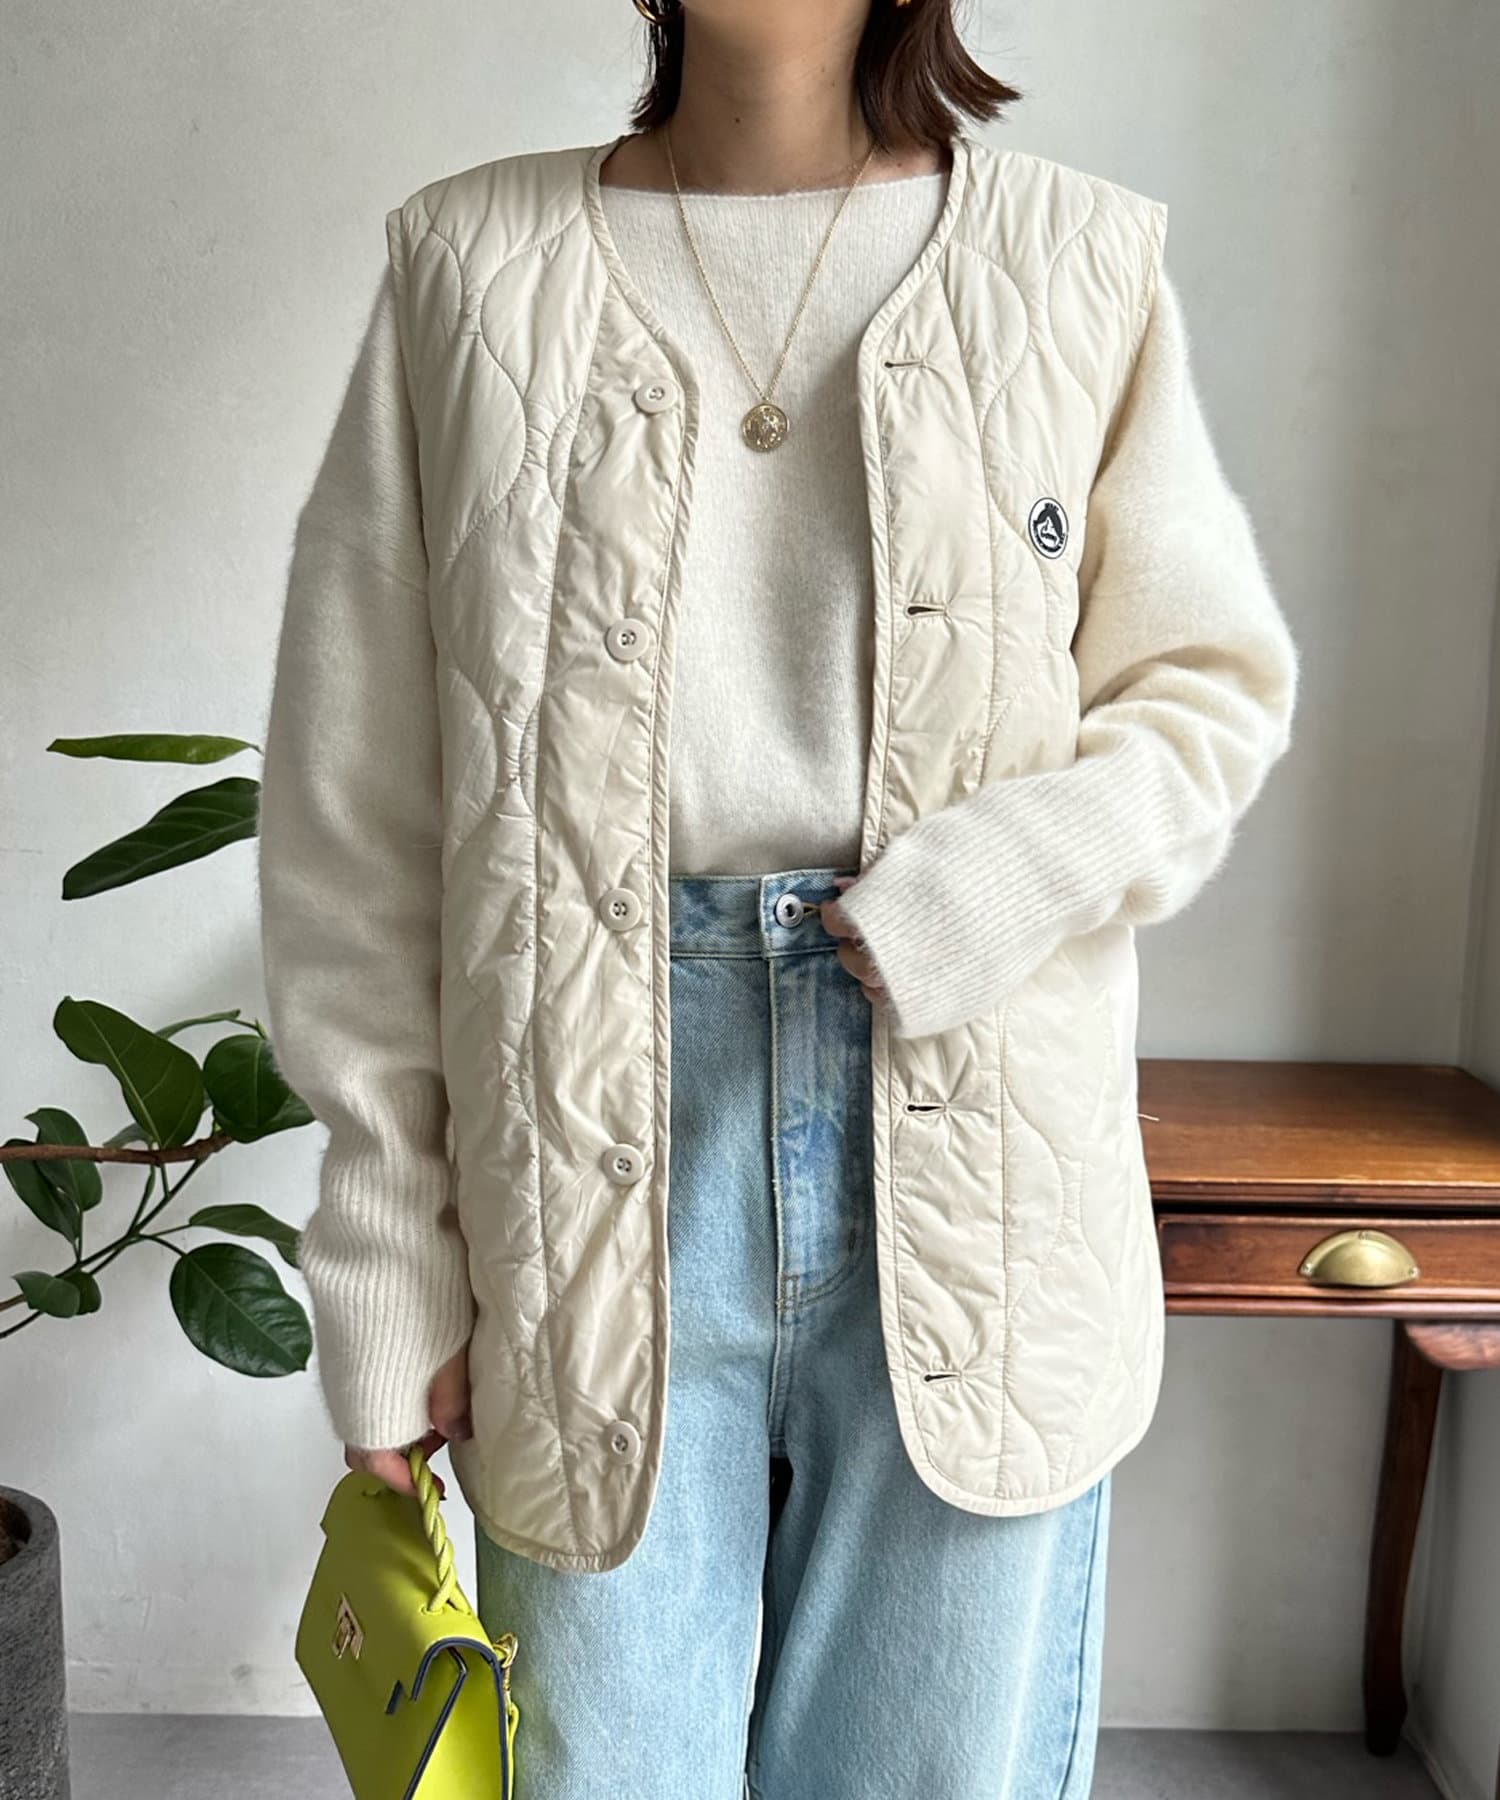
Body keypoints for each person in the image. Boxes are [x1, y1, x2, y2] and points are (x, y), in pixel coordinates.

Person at [256, 2, 1300, 1794]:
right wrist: (384, 1252)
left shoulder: (1078, 257)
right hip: (576, 1130)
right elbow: (362, 810)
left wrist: (997, 880)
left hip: (981, 1116)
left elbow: (1207, 691)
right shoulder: (468, 263)